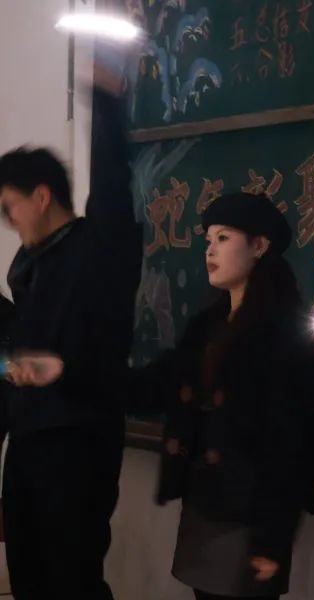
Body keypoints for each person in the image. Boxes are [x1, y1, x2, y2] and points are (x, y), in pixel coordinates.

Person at [0, 67, 142, 599]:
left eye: (9, 208)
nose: (9, 222)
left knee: (70, 580)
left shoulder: (97, 247)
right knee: (29, 577)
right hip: (28, 442)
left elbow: (112, 183)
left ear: (41, 196)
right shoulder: (27, 269)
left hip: (78, 441)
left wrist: (105, 102)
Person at [146, 192, 314, 600]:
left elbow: (291, 440)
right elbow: (162, 382)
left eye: (223, 238)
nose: (210, 251)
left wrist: (272, 539)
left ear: (259, 246)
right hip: (206, 503)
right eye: (208, 240)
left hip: (253, 515)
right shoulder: (207, 325)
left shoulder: (284, 331)